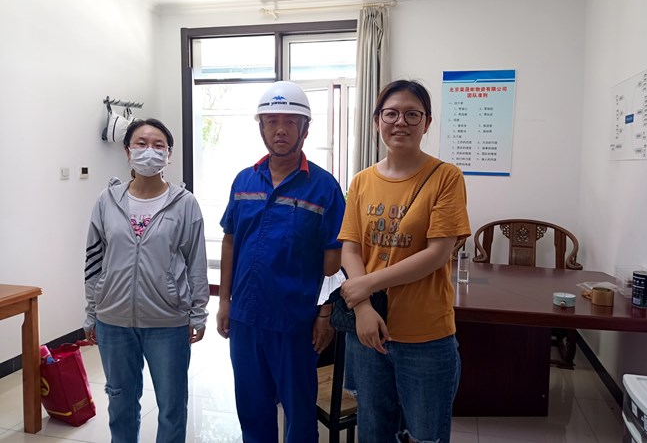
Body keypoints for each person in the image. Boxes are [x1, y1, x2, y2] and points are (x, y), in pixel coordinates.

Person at [338, 80, 471, 442]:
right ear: (376, 121)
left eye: (412, 114)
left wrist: (365, 285)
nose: (401, 122)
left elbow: (437, 253)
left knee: (427, 435)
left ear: (427, 123)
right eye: (391, 113)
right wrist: (363, 308)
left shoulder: (446, 177)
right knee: (373, 432)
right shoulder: (362, 181)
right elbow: (351, 248)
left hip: (425, 336)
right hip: (368, 329)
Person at [216, 81, 346, 442]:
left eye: (290, 122)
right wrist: (224, 301)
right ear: (261, 127)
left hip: (296, 322)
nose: (280, 130)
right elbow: (230, 241)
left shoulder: (324, 187)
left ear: (305, 129)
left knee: (299, 414)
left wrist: (325, 315)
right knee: (252, 409)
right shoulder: (244, 180)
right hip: (246, 318)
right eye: (272, 121)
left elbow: (333, 256)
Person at [83, 118, 210, 443]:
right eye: (141, 143)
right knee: (120, 405)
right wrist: (92, 311)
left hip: (168, 322)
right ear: (127, 151)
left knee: (172, 407)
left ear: (169, 154)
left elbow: (196, 263)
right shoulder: (107, 201)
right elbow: (94, 261)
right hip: (114, 321)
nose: (149, 151)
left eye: (158, 145)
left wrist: (198, 313)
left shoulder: (185, 204)